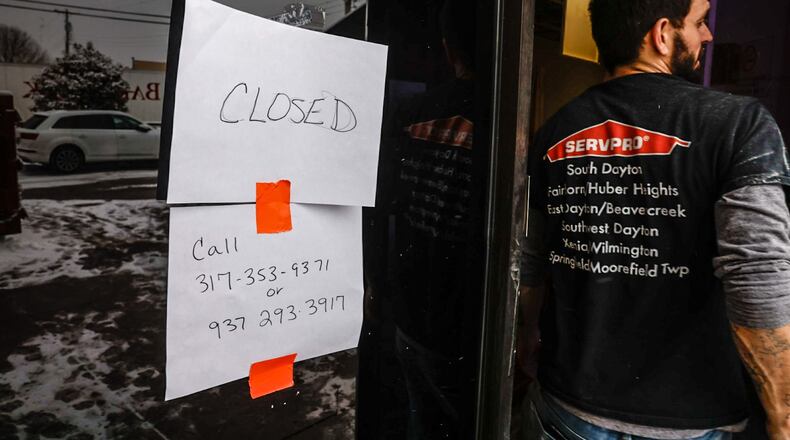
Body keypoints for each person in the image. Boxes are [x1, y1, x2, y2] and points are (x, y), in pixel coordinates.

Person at [519, 0, 790, 439]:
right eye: (700, 22)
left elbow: (531, 257)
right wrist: (783, 415)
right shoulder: (738, 123)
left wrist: (526, 336)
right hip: (684, 420)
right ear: (662, 34)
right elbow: (757, 272)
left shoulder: (554, 129)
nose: (708, 36)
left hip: (565, 405)